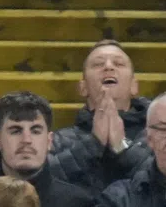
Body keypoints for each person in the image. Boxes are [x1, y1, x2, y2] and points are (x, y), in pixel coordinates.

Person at [48, 41, 153, 194]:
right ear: (82, 88)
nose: (109, 67)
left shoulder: (155, 136)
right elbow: (41, 180)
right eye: (98, 64)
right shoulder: (59, 141)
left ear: (134, 86)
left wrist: (122, 147)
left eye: (118, 63)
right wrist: (92, 144)